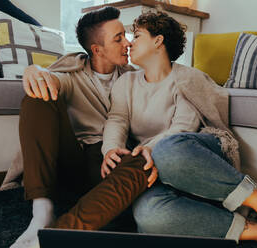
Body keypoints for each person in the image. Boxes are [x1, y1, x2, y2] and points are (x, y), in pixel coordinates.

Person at [100, 12, 257, 248]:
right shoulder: (125, 83)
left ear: (158, 41)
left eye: (136, 36)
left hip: (190, 157)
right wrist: (112, 149)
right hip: (153, 168)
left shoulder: (189, 79)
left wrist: (144, 150)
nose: (130, 43)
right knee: (148, 217)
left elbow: (182, 127)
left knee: (168, 149)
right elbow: (116, 119)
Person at [10, 7, 157, 248]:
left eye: (126, 35)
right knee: (38, 95)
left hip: (108, 166)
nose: (128, 43)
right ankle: (42, 211)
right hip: (74, 162)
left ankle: (58, 235)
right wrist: (35, 70)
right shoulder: (74, 73)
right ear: (97, 49)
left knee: (144, 163)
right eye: (118, 38)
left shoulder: (134, 78)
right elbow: (53, 79)